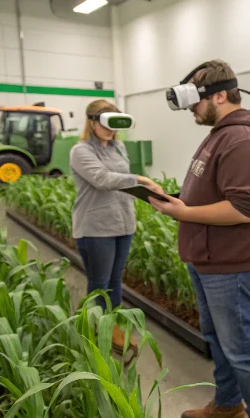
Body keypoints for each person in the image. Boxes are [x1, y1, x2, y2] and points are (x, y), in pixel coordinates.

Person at [149, 60, 250, 418]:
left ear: (219, 95)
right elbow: (215, 192)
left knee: (242, 347)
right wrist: (174, 197)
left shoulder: (241, 139)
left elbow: (243, 208)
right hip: (209, 259)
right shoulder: (221, 134)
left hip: (230, 263)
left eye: (195, 101)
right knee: (221, 342)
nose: (191, 109)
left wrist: (183, 213)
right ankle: (227, 404)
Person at [70, 99, 163, 355]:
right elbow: (101, 179)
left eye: (115, 125)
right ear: (92, 122)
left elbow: (120, 181)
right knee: (99, 282)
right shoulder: (80, 150)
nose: (111, 131)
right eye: (106, 124)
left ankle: (114, 324)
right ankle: (99, 326)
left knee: (115, 280)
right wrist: (140, 178)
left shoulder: (119, 146)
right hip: (96, 226)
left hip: (123, 222)